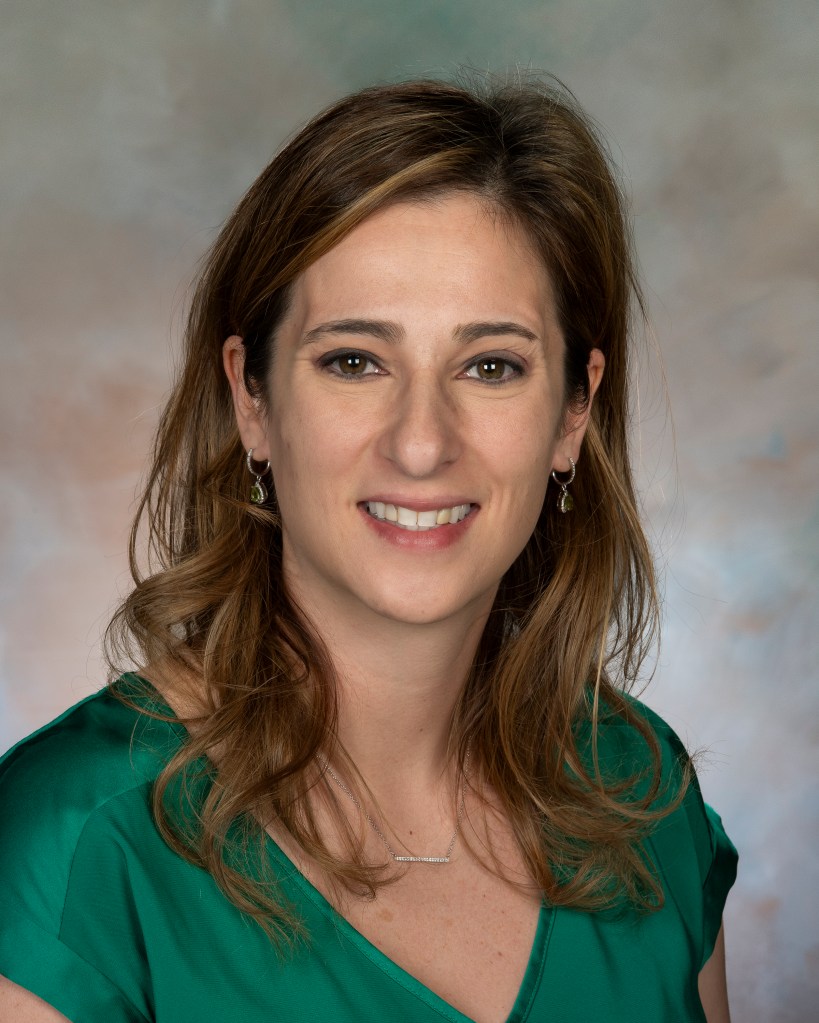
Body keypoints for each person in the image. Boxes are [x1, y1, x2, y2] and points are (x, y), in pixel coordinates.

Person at [0, 75, 737, 1022]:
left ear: (572, 413)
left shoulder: (643, 799)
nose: (421, 442)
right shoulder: (72, 852)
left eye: (490, 365)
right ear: (252, 399)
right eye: (354, 360)